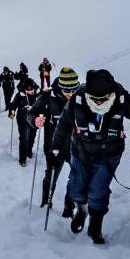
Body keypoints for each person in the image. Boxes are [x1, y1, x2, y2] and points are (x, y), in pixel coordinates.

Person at [51, 69, 130, 245]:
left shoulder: (121, 97)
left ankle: (95, 226)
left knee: (98, 190)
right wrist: (56, 146)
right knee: (76, 188)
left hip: (109, 154)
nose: (98, 102)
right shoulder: (78, 97)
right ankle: (82, 211)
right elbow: (64, 123)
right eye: (94, 99)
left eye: (103, 98)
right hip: (81, 151)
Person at [28, 67, 79, 216]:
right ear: (61, 87)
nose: (71, 94)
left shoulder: (81, 96)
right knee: (51, 177)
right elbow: (31, 113)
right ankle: (46, 203)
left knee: (76, 178)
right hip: (54, 146)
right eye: (67, 91)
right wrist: (35, 120)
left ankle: (69, 209)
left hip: (76, 147)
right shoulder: (48, 97)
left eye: (74, 90)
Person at [10, 77, 40, 166]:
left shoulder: (37, 93)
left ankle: (29, 152)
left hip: (34, 119)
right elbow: (13, 105)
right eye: (27, 90)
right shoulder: (20, 95)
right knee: (24, 138)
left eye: (31, 89)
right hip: (22, 118)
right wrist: (12, 113)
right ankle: (22, 159)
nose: (30, 91)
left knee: (32, 136)